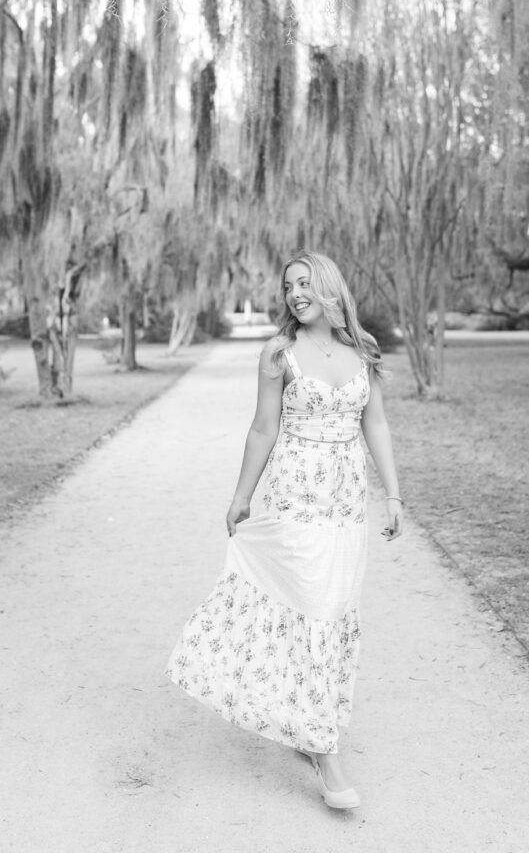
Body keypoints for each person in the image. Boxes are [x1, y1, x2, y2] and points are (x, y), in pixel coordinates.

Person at [166, 251, 404, 810]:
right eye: (288, 285)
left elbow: (377, 423)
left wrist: (392, 494)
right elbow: (261, 429)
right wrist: (241, 495)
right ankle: (327, 754)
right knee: (313, 611)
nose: (294, 292)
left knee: (337, 608)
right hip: (296, 499)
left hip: (347, 506)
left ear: (327, 286)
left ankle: (308, 720)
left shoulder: (362, 350)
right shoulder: (279, 353)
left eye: (304, 282)